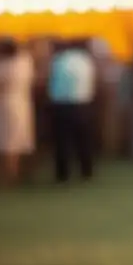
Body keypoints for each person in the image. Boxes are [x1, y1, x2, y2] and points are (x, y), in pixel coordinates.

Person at [0, 39, 35, 187]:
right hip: (22, 104)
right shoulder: (25, 63)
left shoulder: (2, 66)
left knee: (4, 143)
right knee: (16, 143)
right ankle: (14, 175)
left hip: (4, 105)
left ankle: (5, 178)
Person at [48, 38, 97, 182]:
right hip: (83, 103)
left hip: (62, 104)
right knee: (84, 140)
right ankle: (86, 170)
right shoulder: (87, 61)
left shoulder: (59, 60)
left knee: (62, 141)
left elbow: (53, 80)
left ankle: (62, 173)